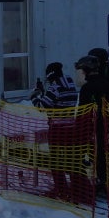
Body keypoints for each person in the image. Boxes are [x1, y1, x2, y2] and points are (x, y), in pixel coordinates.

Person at [30, 61, 86, 201]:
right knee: (71, 160)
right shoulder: (69, 81)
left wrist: (34, 96)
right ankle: (78, 189)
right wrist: (45, 92)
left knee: (56, 160)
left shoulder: (55, 87)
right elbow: (56, 101)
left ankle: (60, 189)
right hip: (71, 127)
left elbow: (43, 106)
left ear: (50, 75)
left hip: (57, 129)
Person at [75, 53, 109, 198]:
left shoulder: (88, 88)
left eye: (82, 70)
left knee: (97, 154)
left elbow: (84, 110)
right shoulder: (108, 83)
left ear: (86, 70)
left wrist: (79, 127)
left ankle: (101, 183)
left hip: (94, 126)